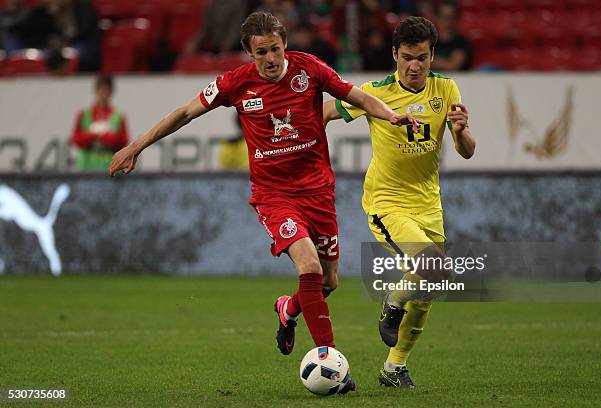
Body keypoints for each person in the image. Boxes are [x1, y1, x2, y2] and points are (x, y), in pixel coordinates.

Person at [108, 12, 417, 393]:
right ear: (248, 53)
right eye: (261, 53)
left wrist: (391, 116)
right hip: (274, 196)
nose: (270, 59)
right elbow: (186, 113)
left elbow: (358, 97)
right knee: (309, 265)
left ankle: (288, 309)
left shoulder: (310, 70)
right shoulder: (235, 84)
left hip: (318, 192)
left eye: (274, 49)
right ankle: (331, 363)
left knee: (329, 281)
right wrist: (136, 146)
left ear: (284, 44)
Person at [323, 16, 475, 388]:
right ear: (394, 54)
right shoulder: (374, 92)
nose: (415, 66)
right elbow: (322, 114)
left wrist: (459, 132)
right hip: (388, 202)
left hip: (429, 204)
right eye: (407, 57)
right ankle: (392, 298)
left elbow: (467, 151)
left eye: (422, 58)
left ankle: (394, 368)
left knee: (428, 292)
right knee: (435, 270)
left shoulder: (447, 88)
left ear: (432, 55)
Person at [71, 75, 129, 170]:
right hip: (85, 167)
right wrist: (94, 135)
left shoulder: (119, 116)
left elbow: (123, 141)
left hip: (109, 167)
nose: (103, 94)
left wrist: (103, 137)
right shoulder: (84, 114)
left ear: (111, 92)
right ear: (95, 91)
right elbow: (76, 139)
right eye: (101, 90)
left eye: (106, 91)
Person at [430, 1, 473, 71]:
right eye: (445, 17)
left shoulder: (462, 43)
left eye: (452, 17)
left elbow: (453, 66)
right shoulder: (428, 42)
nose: (448, 21)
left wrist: (431, 61)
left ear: (457, 19)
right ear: (437, 18)